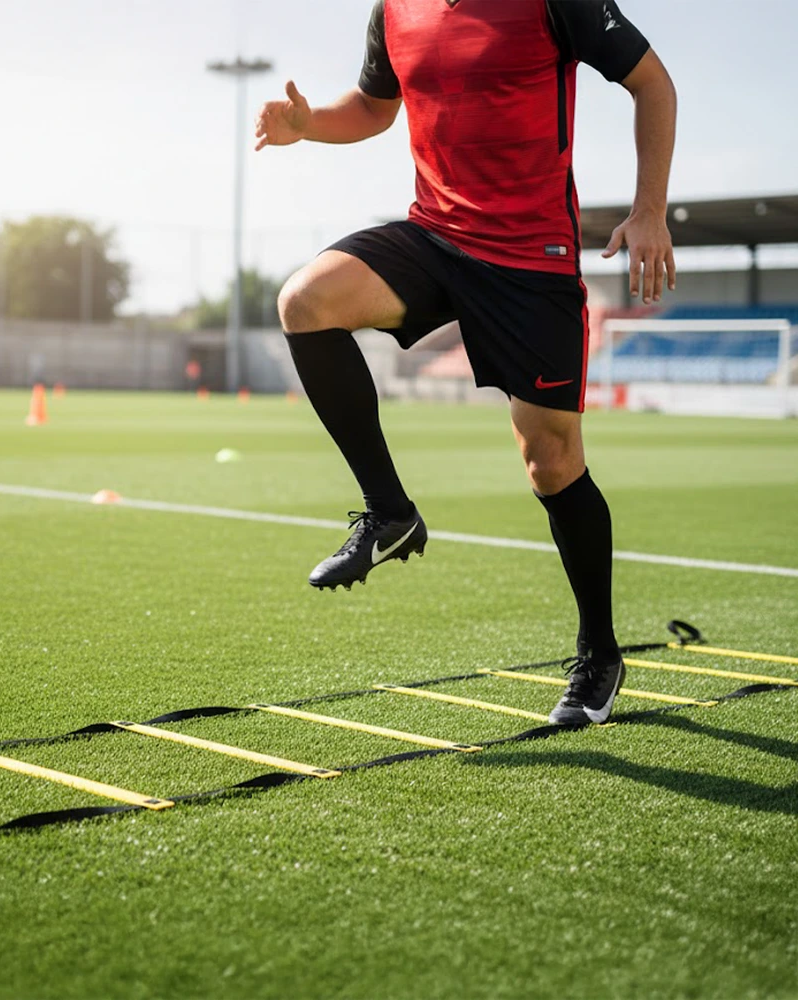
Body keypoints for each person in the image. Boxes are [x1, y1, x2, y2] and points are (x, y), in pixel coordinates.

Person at [254, 0, 676, 726]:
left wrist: (649, 209)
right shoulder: (394, 9)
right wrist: (309, 126)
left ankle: (599, 652)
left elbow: (653, 84)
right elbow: (373, 106)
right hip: (435, 236)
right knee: (305, 302)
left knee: (552, 462)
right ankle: (390, 514)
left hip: (528, 262)